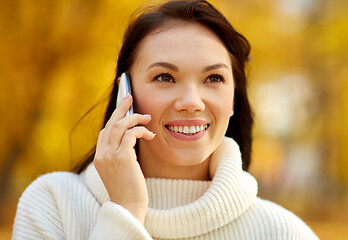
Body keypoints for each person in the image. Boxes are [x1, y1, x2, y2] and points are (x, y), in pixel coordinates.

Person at [12, 0, 319, 239]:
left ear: (234, 98)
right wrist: (126, 212)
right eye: (164, 77)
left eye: (213, 78)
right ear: (125, 92)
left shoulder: (281, 233)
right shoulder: (53, 205)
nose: (191, 102)